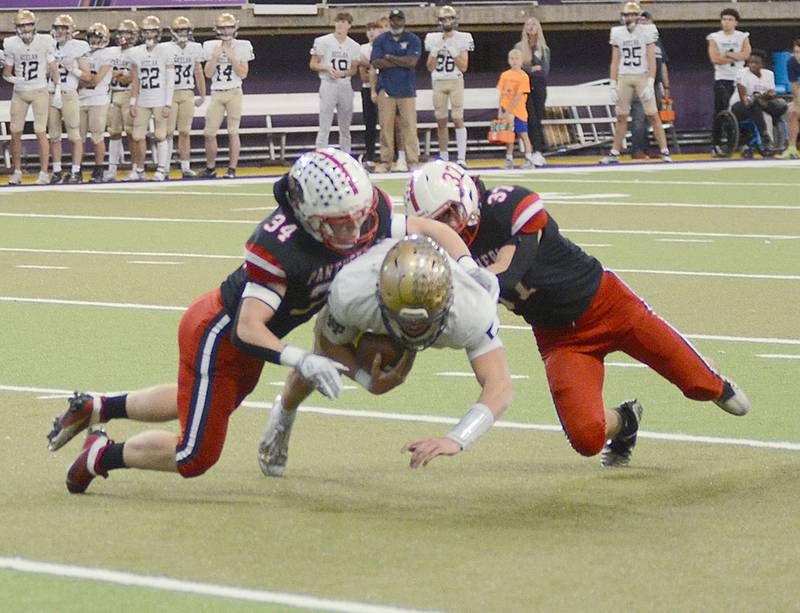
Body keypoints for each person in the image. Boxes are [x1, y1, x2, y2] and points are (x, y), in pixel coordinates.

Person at [45, 149, 487, 494]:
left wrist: (467, 266)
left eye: (359, 220)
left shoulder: (362, 212)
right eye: (340, 225)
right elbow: (248, 327)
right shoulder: (283, 247)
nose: (356, 234)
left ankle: (99, 406)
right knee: (194, 455)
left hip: (251, 338)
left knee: (198, 403)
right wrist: (302, 360)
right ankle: (101, 454)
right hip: (219, 335)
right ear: (309, 216)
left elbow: (432, 230)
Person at [404, 160, 752, 467]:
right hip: (561, 339)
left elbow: (512, 268)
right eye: (439, 223)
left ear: (464, 195)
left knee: (704, 388)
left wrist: (473, 281)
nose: (449, 228)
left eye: (449, 215)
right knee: (587, 438)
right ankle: (627, 420)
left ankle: (708, 375)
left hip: (609, 305)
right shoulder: (443, 253)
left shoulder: (502, 205)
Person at [258, 233, 507, 475]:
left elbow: (500, 385)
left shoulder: (471, 309)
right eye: (405, 322)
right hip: (372, 284)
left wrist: (456, 438)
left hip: (408, 303)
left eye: (421, 323)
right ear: (380, 295)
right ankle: (283, 414)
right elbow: (327, 343)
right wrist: (366, 380)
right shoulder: (353, 291)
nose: (413, 330)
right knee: (317, 363)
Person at [600, 2, 671, 164]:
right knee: (621, 116)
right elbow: (615, 61)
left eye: (632, 15)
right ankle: (615, 152)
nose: (630, 18)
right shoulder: (617, 32)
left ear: (638, 16)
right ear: (622, 16)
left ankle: (665, 151)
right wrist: (612, 84)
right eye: (627, 15)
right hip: (625, 76)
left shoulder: (648, 31)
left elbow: (652, 59)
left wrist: (651, 82)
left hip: (642, 76)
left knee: (653, 115)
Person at [3, 10, 60, 185]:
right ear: (17, 27)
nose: (26, 29)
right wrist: (14, 79)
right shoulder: (11, 44)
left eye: (28, 24)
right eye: (22, 25)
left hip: (39, 90)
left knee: (40, 131)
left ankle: (43, 172)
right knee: (15, 132)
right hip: (20, 92)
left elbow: (53, 67)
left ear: (34, 25)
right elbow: (6, 73)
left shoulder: (45, 41)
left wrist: (58, 89)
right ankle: (17, 171)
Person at [201, 13, 254, 179]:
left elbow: (243, 73)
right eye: (223, 27)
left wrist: (232, 59)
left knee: (233, 131)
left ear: (235, 28)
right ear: (217, 29)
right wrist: (215, 58)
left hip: (234, 91)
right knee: (209, 132)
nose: (226, 30)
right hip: (217, 92)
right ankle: (211, 168)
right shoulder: (210, 46)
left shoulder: (243, 45)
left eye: (229, 27)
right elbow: (208, 74)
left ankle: (232, 169)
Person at [370, 8, 421, 173]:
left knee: (409, 127)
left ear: (403, 21)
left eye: (399, 19)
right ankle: (386, 162)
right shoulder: (380, 40)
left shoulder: (412, 39)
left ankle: (412, 161)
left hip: (407, 89)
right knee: (385, 127)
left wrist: (390, 58)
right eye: (393, 19)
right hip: (386, 88)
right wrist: (401, 60)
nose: (395, 22)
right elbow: (376, 62)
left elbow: (412, 62)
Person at [424, 5, 474, 166]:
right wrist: (434, 52)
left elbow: (464, 67)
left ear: (455, 20)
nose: (447, 22)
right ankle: (444, 157)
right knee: (441, 120)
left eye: (450, 18)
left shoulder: (463, 37)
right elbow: (430, 67)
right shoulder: (432, 38)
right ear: (439, 21)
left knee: (458, 118)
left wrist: (454, 52)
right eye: (444, 19)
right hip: (438, 81)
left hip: (455, 79)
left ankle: (461, 158)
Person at [127, 16, 174, 182]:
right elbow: (135, 80)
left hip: (160, 99)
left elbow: (170, 79)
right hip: (143, 100)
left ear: (158, 33)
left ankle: (162, 169)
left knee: (161, 135)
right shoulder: (136, 52)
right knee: (138, 136)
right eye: (146, 31)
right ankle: (139, 169)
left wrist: (168, 103)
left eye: (152, 31)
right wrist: (133, 102)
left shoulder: (166, 50)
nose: (149, 35)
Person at [310, 12, 362, 154]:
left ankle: (346, 156)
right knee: (324, 123)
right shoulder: (323, 41)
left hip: (345, 84)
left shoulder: (354, 45)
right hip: (328, 83)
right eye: (338, 21)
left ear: (349, 25)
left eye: (344, 22)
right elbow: (313, 64)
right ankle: (321, 154)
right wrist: (326, 68)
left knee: (345, 126)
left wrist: (343, 73)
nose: (340, 24)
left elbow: (353, 69)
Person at [47, 14, 89, 184]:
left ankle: (76, 171)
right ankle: (57, 170)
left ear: (70, 29)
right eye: (57, 28)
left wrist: (73, 69)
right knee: (54, 135)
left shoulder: (79, 46)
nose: (60, 31)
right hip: (51, 93)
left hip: (69, 93)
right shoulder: (49, 46)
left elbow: (87, 76)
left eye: (63, 28)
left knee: (74, 134)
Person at [163, 17, 205, 179]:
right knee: (167, 132)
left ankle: (185, 166)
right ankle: (164, 166)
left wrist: (202, 94)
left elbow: (198, 72)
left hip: (187, 91)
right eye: (179, 30)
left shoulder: (195, 48)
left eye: (185, 30)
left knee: (185, 132)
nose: (182, 33)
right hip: (170, 93)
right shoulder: (165, 48)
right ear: (173, 31)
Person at [77, 23, 115, 183]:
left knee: (97, 137)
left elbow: (95, 81)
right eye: (92, 36)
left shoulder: (106, 54)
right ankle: (76, 169)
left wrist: (82, 80)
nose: (94, 40)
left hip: (98, 99)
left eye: (98, 37)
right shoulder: (82, 53)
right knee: (78, 138)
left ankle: (99, 168)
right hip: (81, 100)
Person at [630, 10, 671, 159]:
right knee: (639, 117)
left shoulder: (656, 41)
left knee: (651, 118)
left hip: (655, 84)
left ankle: (646, 149)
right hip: (640, 83)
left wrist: (666, 86)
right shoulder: (634, 39)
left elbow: (663, 64)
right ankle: (637, 150)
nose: (644, 23)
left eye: (646, 20)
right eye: (640, 21)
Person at [730, 49, 787, 153]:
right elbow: (742, 94)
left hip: (759, 104)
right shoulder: (742, 73)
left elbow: (771, 92)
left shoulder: (769, 74)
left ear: (762, 64)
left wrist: (766, 98)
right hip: (739, 105)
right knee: (755, 104)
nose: (752, 65)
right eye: (750, 62)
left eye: (756, 63)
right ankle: (764, 135)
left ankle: (782, 140)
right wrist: (757, 99)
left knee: (781, 105)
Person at [105, 20, 139, 182]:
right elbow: (107, 74)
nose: (123, 36)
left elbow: (129, 79)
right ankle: (112, 169)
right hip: (113, 93)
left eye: (127, 33)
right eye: (121, 33)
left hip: (128, 94)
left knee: (132, 133)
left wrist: (118, 73)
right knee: (114, 132)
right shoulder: (111, 51)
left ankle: (135, 167)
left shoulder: (138, 52)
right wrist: (119, 73)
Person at [515, 17, 549, 167]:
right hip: (524, 87)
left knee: (538, 118)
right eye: (528, 24)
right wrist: (531, 69)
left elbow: (544, 71)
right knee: (531, 119)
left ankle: (539, 152)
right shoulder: (519, 47)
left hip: (539, 86)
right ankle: (533, 151)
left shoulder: (543, 49)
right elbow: (517, 68)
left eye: (534, 24)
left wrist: (528, 70)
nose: (531, 27)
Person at [707, 8, 751, 120]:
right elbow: (715, 59)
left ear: (736, 22)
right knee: (721, 108)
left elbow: (746, 54)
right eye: (724, 19)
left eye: (730, 19)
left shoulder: (742, 36)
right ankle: (717, 135)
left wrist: (728, 55)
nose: (726, 22)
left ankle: (740, 134)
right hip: (722, 78)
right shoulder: (714, 37)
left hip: (740, 78)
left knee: (741, 106)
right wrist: (737, 57)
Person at [497, 48, 535, 169]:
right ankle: (509, 159)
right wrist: (501, 111)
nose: (514, 61)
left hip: (518, 111)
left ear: (521, 61)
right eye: (512, 59)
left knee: (523, 134)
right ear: (509, 60)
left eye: (517, 59)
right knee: (508, 136)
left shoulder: (523, 76)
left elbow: (519, 95)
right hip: (506, 111)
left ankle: (529, 158)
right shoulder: (505, 75)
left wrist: (510, 111)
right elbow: (501, 94)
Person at [357, 19, 387, 167]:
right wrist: (372, 67)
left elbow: (383, 68)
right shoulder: (363, 48)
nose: (371, 33)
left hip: (384, 87)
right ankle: (370, 155)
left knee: (386, 122)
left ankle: (388, 154)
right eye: (368, 31)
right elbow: (363, 74)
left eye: (374, 30)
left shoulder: (385, 47)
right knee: (370, 123)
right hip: (367, 88)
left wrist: (370, 65)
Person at [779, 39, 800, 159]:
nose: (798, 56)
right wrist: (797, 105)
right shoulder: (791, 62)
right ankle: (791, 148)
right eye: (796, 52)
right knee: (792, 112)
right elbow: (794, 85)